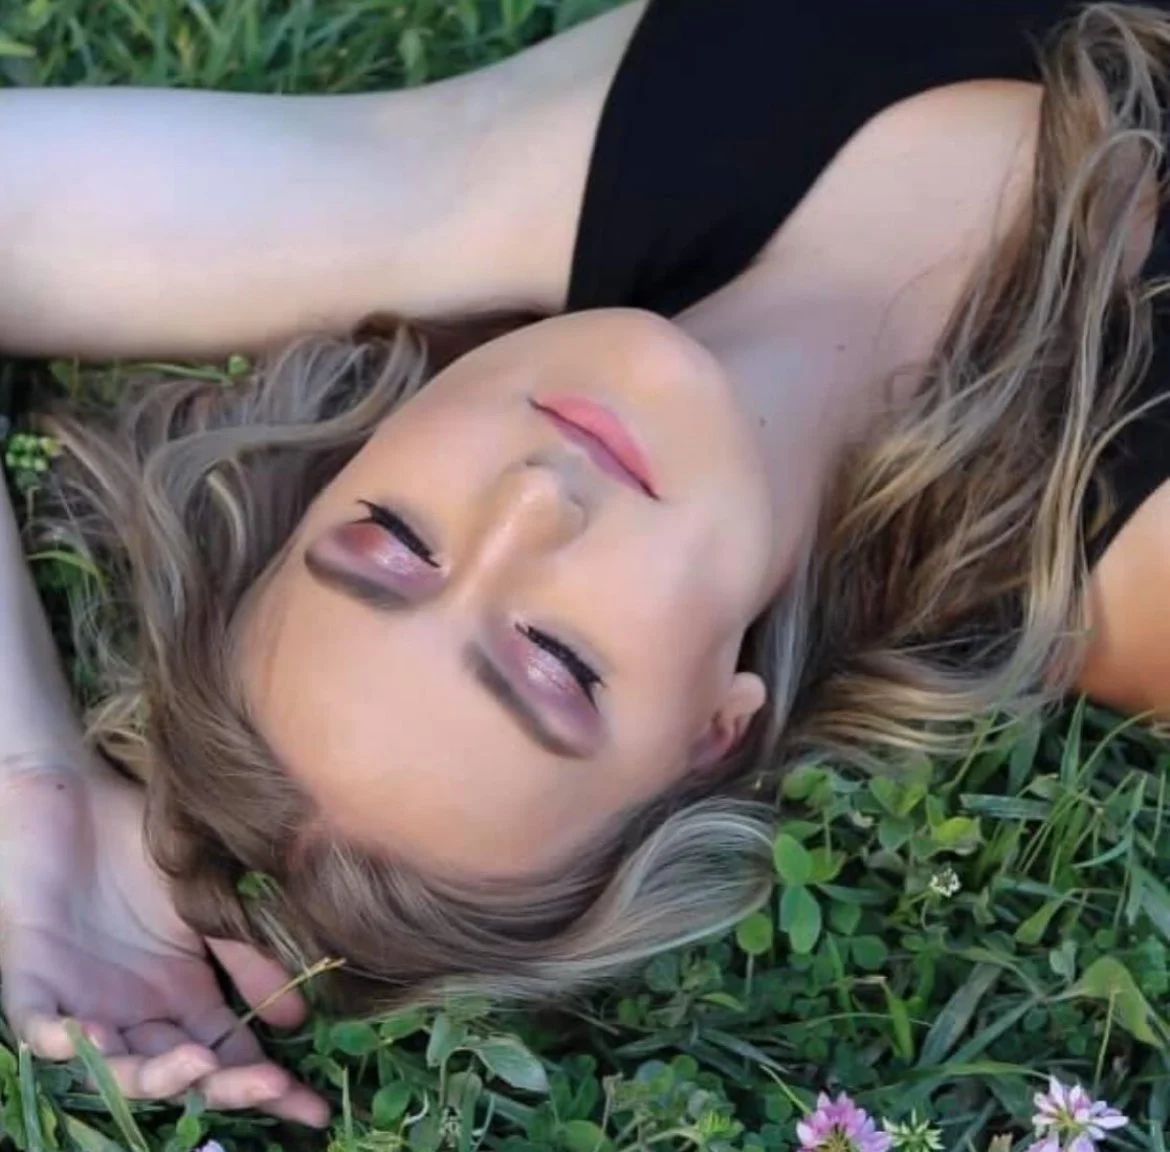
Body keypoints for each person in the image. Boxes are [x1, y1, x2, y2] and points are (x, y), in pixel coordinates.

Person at [1, 0, 1168, 1127]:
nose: (530, 507)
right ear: (715, 730)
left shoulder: (491, 192)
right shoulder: (1124, 553)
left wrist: (24, 777)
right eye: (554, 659)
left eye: (395, 539)